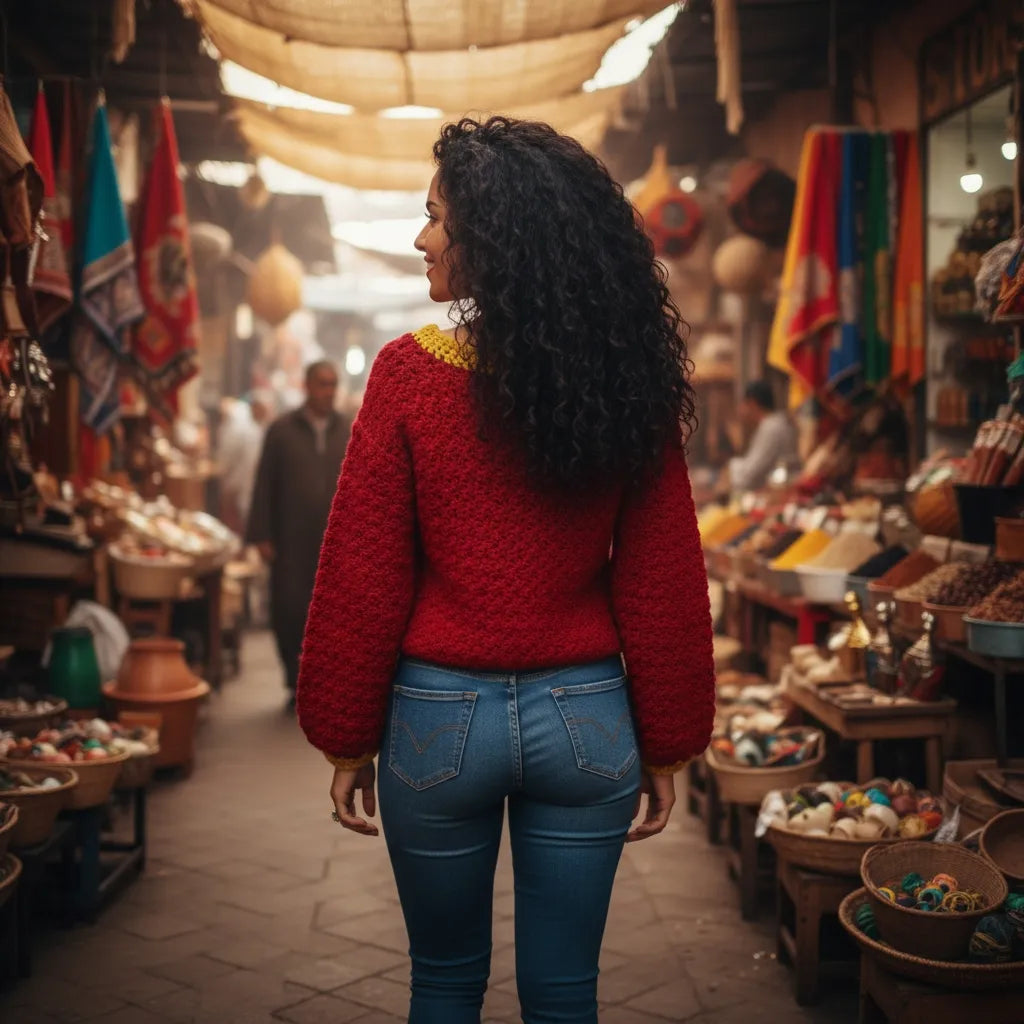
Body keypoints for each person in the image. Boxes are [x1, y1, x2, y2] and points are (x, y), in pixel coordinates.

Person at [296, 118, 715, 1024]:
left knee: (443, 984)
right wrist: (671, 740)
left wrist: (344, 734)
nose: (421, 239)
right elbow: (663, 575)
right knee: (565, 993)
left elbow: (364, 572)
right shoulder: (626, 380)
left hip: (437, 726)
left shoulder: (408, 376)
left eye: (435, 218)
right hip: (587, 723)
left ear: (491, 234)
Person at [246, 361, 349, 699]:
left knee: (333, 612)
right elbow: (264, 482)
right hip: (290, 538)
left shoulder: (349, 430)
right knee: (290, 608)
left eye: (333, 384)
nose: (328, 391)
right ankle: (295, 678)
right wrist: (261, 533)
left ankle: (325, 683)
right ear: (307, 386)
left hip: (335, 540)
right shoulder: (281, 430)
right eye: (322, 384)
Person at [727, 379, 799, 492]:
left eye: (742, 404)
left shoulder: (772, 428)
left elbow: (751, 474)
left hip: (781, 492)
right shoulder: (774, 424)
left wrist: (728, 470)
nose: (739, 410)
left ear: (752, 403)